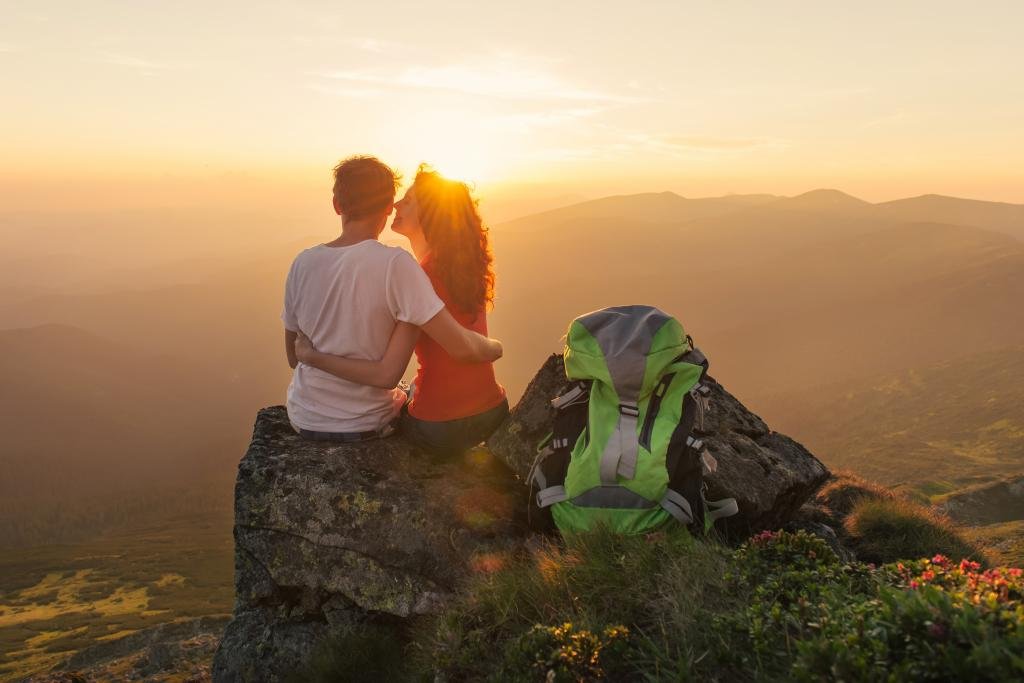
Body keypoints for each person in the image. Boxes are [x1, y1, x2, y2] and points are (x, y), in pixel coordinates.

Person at [282, 156, 502, 441]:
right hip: (366, 423)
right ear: (387, 208)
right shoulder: (401, 266)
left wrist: (312, 356)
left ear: (337, 205)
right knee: (402, 391)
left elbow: (293, 356)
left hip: (303, 417)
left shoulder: (302, 262)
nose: (398, 205)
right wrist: (496, 347)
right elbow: (389, 374)